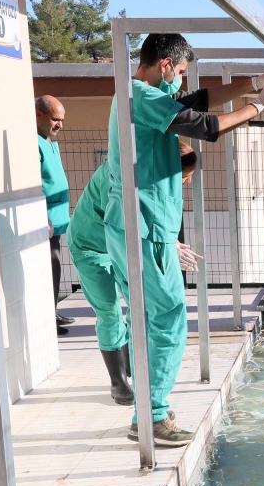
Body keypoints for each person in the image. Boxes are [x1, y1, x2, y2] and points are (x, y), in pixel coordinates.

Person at [104, 33, 264, 447]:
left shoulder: (138, 95)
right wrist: (259, 106)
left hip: (143, 224)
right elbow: (205, 125)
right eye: (181, 73)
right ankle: (151, 417)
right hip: (145, 223)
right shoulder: (142, 96)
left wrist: (252, 82)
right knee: (167, 318)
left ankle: (150, 410)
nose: (182, 83)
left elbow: (197, 102)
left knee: (148, 319)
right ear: (166, 65)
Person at [68, 141, 202, 408]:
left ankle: (132, 366)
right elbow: (123, 221)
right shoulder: (119, 177)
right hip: (91, 247)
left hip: (120, 243)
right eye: (184, 177)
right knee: (109, 313)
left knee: (138, 306)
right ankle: (118, 383)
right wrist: (168, 245)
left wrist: (171, 243)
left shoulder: (149, 174)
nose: (186, 183)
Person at [35, 95, 75, 335]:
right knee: (48, 267)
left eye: (61, 120)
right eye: (55, 119)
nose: (59, 124)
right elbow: (34, 184)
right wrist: (43, 215)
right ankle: (47, 319)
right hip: (45, 221)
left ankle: (53, 310)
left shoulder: (51, 142)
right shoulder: (34, 143)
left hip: (57, 220)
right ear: (39, 114)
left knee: (56, 267)